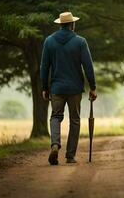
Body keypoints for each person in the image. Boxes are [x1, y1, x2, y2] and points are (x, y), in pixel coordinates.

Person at [40, 12, 97, 165]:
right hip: (75, 89)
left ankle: (54, 145)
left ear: (60, 24)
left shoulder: (49, 42)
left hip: (56, 88)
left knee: (55, 117)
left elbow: (44, 67)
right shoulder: (80, 42)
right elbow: (88, 67)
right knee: (75, 120)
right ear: (72, 24)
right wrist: (93, 87)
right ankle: (70, 156)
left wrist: (44, 87)